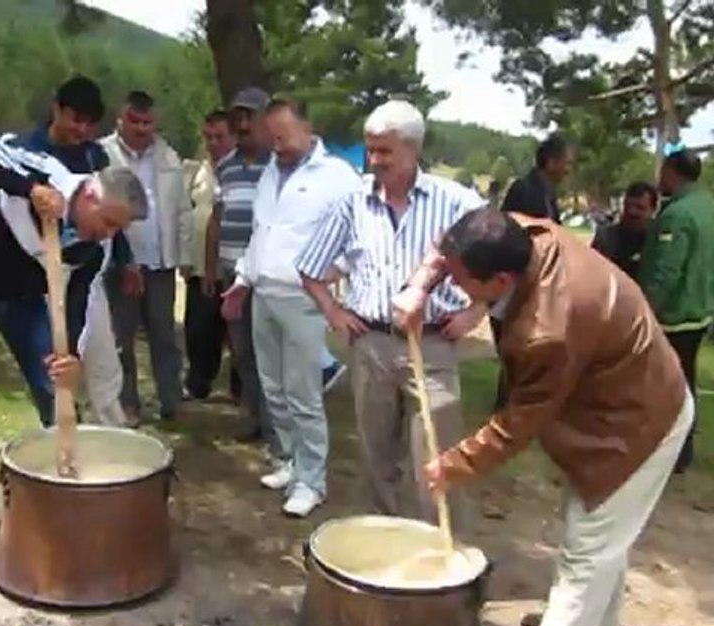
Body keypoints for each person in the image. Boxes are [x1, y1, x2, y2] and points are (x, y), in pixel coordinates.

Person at [394, 207, 693, 626]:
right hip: (618, 397)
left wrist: (454, 464)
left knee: (590, 541)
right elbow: (450, 247)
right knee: (602, 528)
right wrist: (420, 286)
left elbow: (518, 424)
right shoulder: (517, 233)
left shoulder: (547, 329)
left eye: (465, 283)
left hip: (636, 422)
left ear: (503, 279)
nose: (458, 289)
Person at [0, 128, 146, 554]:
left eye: (117, 229)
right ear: (89, 195)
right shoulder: (44, 170)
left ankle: (69, 484)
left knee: (58, 391)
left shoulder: (94, 249)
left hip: (25, 300)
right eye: (108, 222)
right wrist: (28, 188)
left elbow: (76, 304)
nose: (108, 234)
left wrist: (69, 357)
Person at [296, 99, 484, 525]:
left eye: (385, 151)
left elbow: (507, 262)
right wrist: (334, 312)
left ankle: (436, 548)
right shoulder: (353, 202)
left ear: (413, 149)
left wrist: (476, 313)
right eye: (370, 149)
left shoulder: (458, 202)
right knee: (376, 453)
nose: (374, 160)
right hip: (372, 345)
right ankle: (384, 540)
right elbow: (309, 269)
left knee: (435, 455)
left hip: (433, 345)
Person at [222, 98, 362, 517]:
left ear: (307, 128)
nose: (276, 145)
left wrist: (333, 272)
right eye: (273, 137)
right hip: (264, 293)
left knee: (303, 393)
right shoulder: (269, 173)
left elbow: (359, 235)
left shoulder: (337, 176)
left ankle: (311, 481)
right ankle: (288, 461)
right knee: (274, 388)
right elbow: (261, 234)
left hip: (303, 300)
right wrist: (242, 281)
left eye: (283, 137)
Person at [15, 75, 140, 428]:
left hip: (86, 268)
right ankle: (60, 437)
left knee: (103, 360)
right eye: (75, 119)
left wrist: (124, 258)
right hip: (39, 275)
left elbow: (109, 215)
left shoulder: (93, 154)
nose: (81, 129)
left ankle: (112, 433)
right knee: (55, 366)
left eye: (89, 123)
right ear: (57, 109)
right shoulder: (31, 150)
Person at [102, 91, 192, 425]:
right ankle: (128, 404)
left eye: (147, 122)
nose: (141, 129)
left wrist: (183, 259)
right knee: (121, 337)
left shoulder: (168, 156)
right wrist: (123, 262)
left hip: (160, 263)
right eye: (134, 121)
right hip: (119, 262)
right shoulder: (103, 154)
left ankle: (171, 400)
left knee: (164, 335)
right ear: (120, 119)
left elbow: (182, 211)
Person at [205, 87, 275, 444]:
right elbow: (217, 218)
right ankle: (253, 417)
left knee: (270, 352)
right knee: (242, 350)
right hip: (231, 274)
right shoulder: (225, 166)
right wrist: (211, 266)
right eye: (238, 118)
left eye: (250, 116)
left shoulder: (279, 166)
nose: (243, 125)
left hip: (265, 276)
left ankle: (276, 421)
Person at [638, 149, 714, 474]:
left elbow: (666, 271)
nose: (659, 178)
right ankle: (680, 451)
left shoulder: (678, 215)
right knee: (685, 383)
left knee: (667, 387)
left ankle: (671, 452)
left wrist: (645, 311)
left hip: (674, 316)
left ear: (673, 171)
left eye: (663, 171)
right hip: (700, 309)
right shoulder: (707, 207)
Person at [490, 134, 575, 409]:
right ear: (551, 161)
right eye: (567, 163)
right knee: (516, 346)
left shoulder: (545, 190)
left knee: (526, 348)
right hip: (516, 281)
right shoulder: (527, 189)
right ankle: (506, 408)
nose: (569, 169)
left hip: (531, 281)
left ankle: (513, 403)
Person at [184, 109, 235, 400]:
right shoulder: (197, 172)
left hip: (231, 265)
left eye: (220, 136)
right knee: (200, 330)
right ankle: (198, 383)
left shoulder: (242, 171)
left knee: (236, 332)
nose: (214, 143)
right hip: (199, 265)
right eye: (209, 137)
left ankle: (241, 390)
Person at [590, 181, 658, 280]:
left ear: (653, 210)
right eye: (627, 206)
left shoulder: (656, 241)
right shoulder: (606, 237)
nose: (632, 212)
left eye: (640, 208)